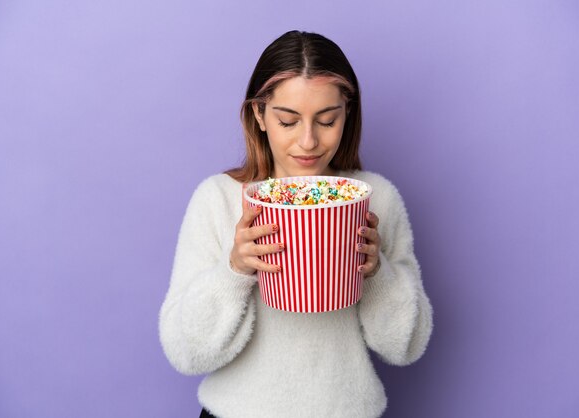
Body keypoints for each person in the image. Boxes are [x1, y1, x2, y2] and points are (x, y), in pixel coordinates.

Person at [158, 30, 433, 418]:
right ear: (259, 115)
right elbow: (186, 354)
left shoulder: (376, 198)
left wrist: (378, 273)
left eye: (327, 120)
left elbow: (407, 347)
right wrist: (234, 270)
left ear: (347, 114)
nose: (308, 142)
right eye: (288, 121)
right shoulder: (217, 199)